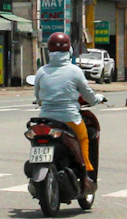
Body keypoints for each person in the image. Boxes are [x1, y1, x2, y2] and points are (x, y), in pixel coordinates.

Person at [32, 32, 100, 182]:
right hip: (70, 119)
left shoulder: (41, 71)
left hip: (46, 120)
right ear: (69, 51)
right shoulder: (75, 71)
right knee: (83, 138)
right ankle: (86, 171)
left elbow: (37, 97)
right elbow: (88, 94)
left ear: (49, 51)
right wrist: (96, 100)